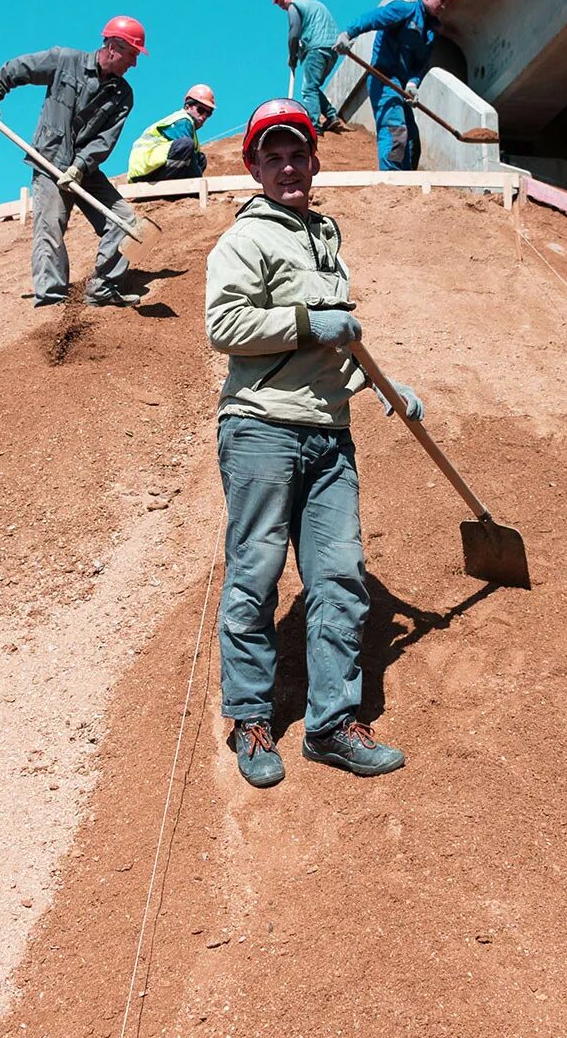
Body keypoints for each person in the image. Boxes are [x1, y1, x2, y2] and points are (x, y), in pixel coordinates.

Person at [203, 99, 425, 787]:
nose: (288, 166)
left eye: (297, 153)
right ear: (256, 168)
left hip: (330, 434)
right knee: (256, 576)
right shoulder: (246, 239)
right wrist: (308, 321)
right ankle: (251, 718)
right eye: (273, 157)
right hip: (262, 428)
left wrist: (388, 386)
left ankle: (331, 725)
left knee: (339, 578)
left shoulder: (325, 237)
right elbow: (226, 325)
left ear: (313, 160)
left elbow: (334, 344)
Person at [0, 16, 144, 307]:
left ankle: (102, 288)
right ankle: (52, 298)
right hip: (49, 160)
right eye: (132, 55)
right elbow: (15, 69)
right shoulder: (64, 60)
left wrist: (79, 166)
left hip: (85, 171)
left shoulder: (123, 95)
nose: (134, 64)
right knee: (50, 227)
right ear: (114, 47)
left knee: (125, 221)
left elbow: (104, 140)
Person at [334, 0, 456, 171]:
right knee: (395, 130)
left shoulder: (431, 33)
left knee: (412, 142)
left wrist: (413, 84)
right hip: (384, 79)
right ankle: (392, 179)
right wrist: (348, 33)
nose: (443, 6)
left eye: (446, 3)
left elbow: (420, 64)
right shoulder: (403, 10)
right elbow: (373, 18)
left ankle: (407, 182)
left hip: (400, 86)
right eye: (441, 0)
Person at [272, 0, 345, 132]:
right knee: (313, 85)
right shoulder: (315, 4)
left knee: (308, 89)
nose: (283, 7)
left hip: (316, 49)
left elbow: (294, 32)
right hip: (332, 50)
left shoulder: (295, 5)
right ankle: (331, 117)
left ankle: (313, 125)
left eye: (282, 3)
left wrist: (292, 55)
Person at [126, 84, 215, 183]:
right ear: (187, 107)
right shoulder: (182, 121)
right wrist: (198, 183)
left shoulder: (190, 128)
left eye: (208, 113)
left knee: (200, 158)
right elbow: (188, 153)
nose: (204, 116)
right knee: (186, 145)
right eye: (201, 110)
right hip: (144, 173)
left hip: (154, 169)